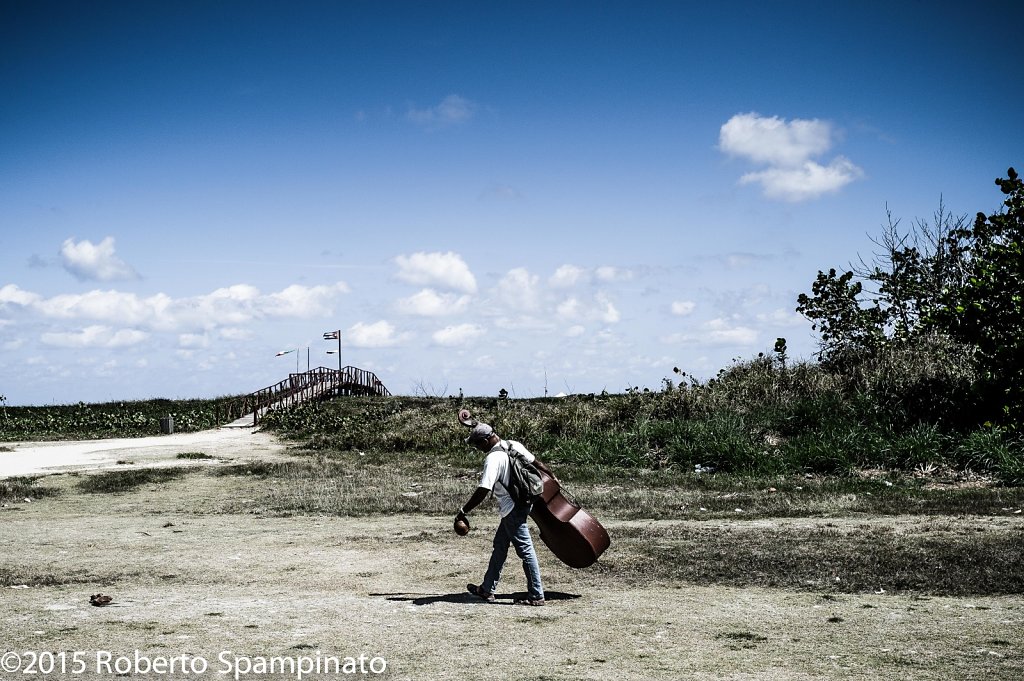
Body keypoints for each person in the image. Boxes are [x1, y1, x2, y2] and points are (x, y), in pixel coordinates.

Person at [456, 421, 546, 606]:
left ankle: (536, 595)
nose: (477, 448)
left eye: (477, 444)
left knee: (526, 551)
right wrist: (552, 477)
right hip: (524, 502)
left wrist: (464, 511)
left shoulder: (493, 458)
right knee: (500, 546)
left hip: (511, 508)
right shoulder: (513, 444)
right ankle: (487, 589)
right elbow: (536, 463)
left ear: (486, 440)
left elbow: (483, 489)